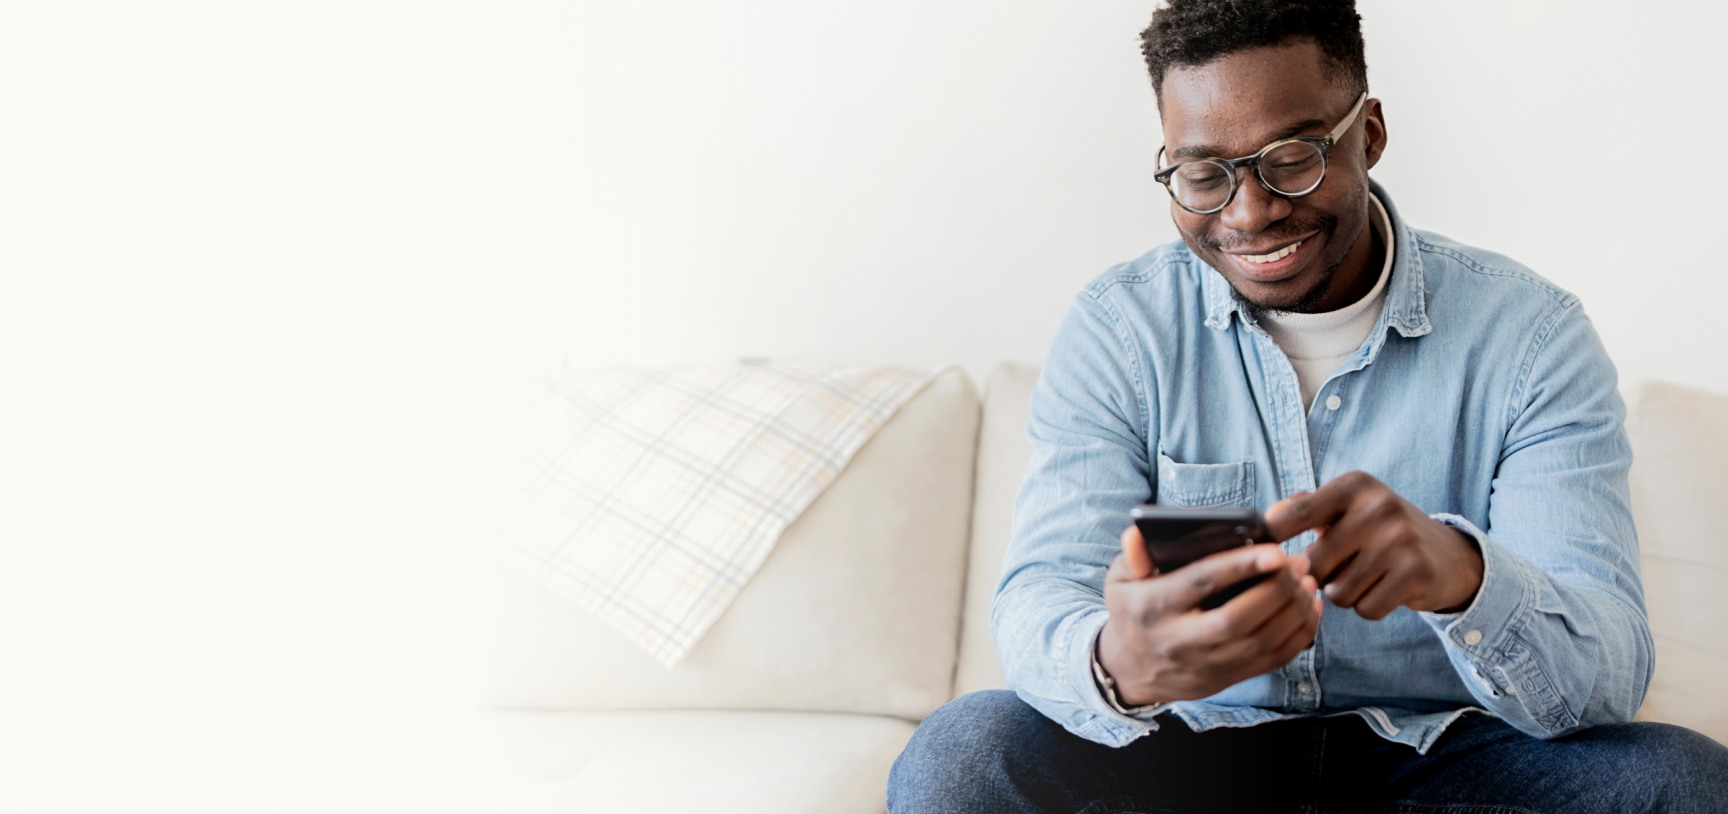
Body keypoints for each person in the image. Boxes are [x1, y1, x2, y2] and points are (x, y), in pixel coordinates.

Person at [887, 1, 1728, 811]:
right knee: (962, 754)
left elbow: (1609, 674)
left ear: (1370, 134)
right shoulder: (1120, 331)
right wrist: (1121, 662)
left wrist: (1462, 577)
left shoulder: (1530, 337)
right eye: (1203, 175)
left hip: (1443, 758)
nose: (1249, 213)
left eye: (1291, 159)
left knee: (1685, 782)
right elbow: (1040, 597)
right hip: (1192, 755)